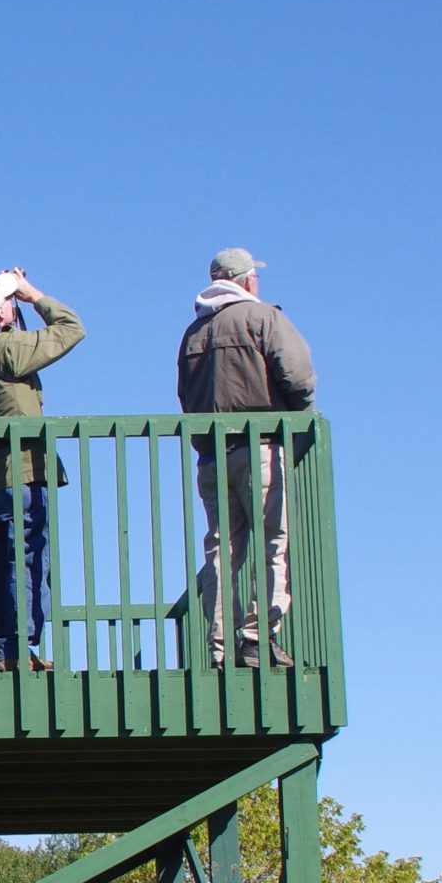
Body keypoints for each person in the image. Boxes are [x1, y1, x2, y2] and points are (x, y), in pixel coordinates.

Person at [176, 248, 315, 667]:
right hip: (261, 447)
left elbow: (185, 395)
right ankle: (257, 637)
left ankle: (220, 648)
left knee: (223, 550)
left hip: (212, 456)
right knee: (274, 542)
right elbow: (299, 377)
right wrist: (297, 420)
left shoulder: (193, 332)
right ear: (247, 280)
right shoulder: (264, 318)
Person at [0, 268, 83, 669]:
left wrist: (7, 304)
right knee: (25, 559)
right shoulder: (6, 351)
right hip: (21, 472)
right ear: (1, 313)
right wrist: (30, 293)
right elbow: (71, 327)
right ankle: (18, 648)